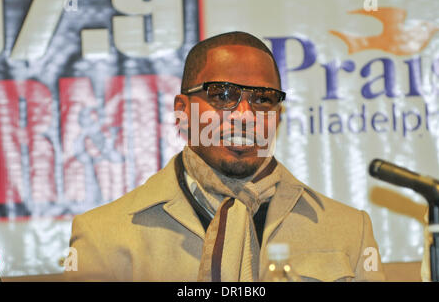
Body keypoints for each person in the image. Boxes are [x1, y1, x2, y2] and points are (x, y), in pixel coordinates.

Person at [64, 31, 385, 282]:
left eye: (263, 98)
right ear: (182, 111)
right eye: (222, 94)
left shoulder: (348, 230)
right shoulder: (102, 236)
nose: (245, 115)